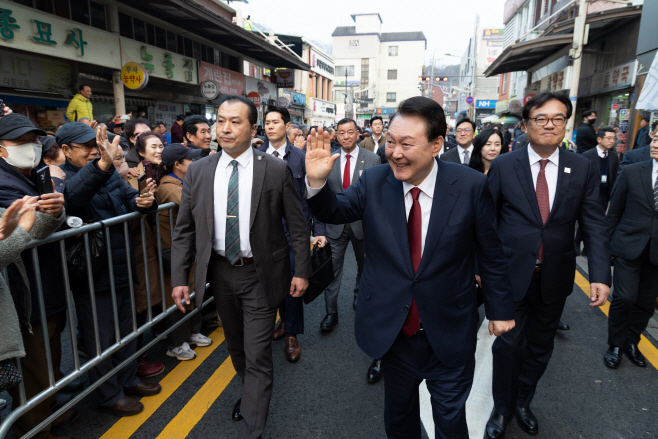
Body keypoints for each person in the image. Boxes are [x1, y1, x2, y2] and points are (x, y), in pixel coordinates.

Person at [305, 97, 515, 439]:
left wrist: (500, 309)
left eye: (406, 144)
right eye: (390, 142)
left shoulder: (470, 186)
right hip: (394, 330)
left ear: (436, 144)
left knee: (449, 417)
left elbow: (490, 251)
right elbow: (336, 211)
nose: (395, 153)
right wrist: (316, 183)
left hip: (449, 325)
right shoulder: (374, 182)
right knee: (399, 417)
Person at [171, 95, 312, 439]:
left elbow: (296, 224)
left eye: (235, 121)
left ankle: (253, 428)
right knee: (235, 347)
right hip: (219, 274)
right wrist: (179, 278)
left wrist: (302, 270)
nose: (225, 128)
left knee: (258, 352)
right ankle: (252, 396)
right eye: (220, 120)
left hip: (261, 274)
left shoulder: (274, 169)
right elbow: (184, 229)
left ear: (253, 128)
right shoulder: (200, 171)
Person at [485, 92, 611, 439]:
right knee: (508, 347)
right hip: (510, 276)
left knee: (540, 347)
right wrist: (482, 268)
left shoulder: (581, 166)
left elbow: (594, 222)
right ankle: (502, 407)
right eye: (541, 118)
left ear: (566, 124)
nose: (549, 124)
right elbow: (487, 221)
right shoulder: (504, 166)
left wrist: (600, 273)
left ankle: (524, 401)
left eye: (557, 118)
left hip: (554, 276)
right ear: (525, 125)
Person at [59, 122, 162, 417]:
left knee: (127, 331)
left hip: (122, 265)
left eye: (97, 144)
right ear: (65, 150)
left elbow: (128, 198)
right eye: (87, 147)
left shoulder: (105, 175)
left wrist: (143, 201)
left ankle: (128, 379)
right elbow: (74, 198)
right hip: (92, 274)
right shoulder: (66, 176)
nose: (95, 150)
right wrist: (103, 162)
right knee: (100, 339)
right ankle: (109, 393)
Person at [0, 114, 73, 439]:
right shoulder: (4, 182)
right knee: (32, 368)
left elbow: (39, 221)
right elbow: (18, 230)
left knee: (49, 359)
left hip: (47, 286)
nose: (30, 146)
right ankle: (36, 428)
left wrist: (56, 211)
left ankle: (49, 414)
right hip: (23, 294)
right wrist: (47, 216)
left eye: (34, 139)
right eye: (20, 140)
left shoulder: (34, 174)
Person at [257, 106, 327, 363]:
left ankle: (292, 334)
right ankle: (284, 321)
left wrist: (318, 231)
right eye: (267, 122)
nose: (271, 126)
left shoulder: (300, 157)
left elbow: (313, 197)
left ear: (287, 126)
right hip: (263, 235)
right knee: (270, 283)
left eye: (276, 122)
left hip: (292, 234)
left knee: (293, 285)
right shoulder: (255, 156)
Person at [604, 133, 658, 369]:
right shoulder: (632, 171)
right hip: (628, 246)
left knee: (646, 302)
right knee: (624, 297)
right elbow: (614, 212)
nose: (654, 144)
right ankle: (615, 344)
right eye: (655, 139)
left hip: (656, 253)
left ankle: (631, 342)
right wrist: (604, 249)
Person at [154, 143, 209, 361]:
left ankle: (192, 333)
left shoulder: (183, 181)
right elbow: (194, 202)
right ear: (177, 165)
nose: (194, 163)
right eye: (190, 160)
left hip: (189, 248)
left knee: (194, 291)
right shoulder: (168, 186)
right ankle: (176, 344)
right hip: (174, 251)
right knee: (179, 297)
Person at [582, 127, 619, 208]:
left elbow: (615, 175)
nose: (612, 141)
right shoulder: (587, 155)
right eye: (609, 138)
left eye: (614, 138)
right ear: (599, 139)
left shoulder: (614, 156)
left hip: (606, 193)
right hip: (591, 194)